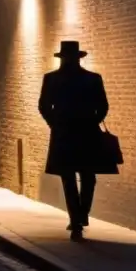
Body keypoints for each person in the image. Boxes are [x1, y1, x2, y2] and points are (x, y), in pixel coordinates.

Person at [38, 40, 114, 241]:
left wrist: (55, 123)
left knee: (70, 177)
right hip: (86, 133)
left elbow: (44, 106)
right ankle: (80, 216)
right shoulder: (92, 79)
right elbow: (103, 107)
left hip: (64, 133)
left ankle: (77, 218)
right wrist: (91, 122)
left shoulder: (52, 79)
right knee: (86, 177)